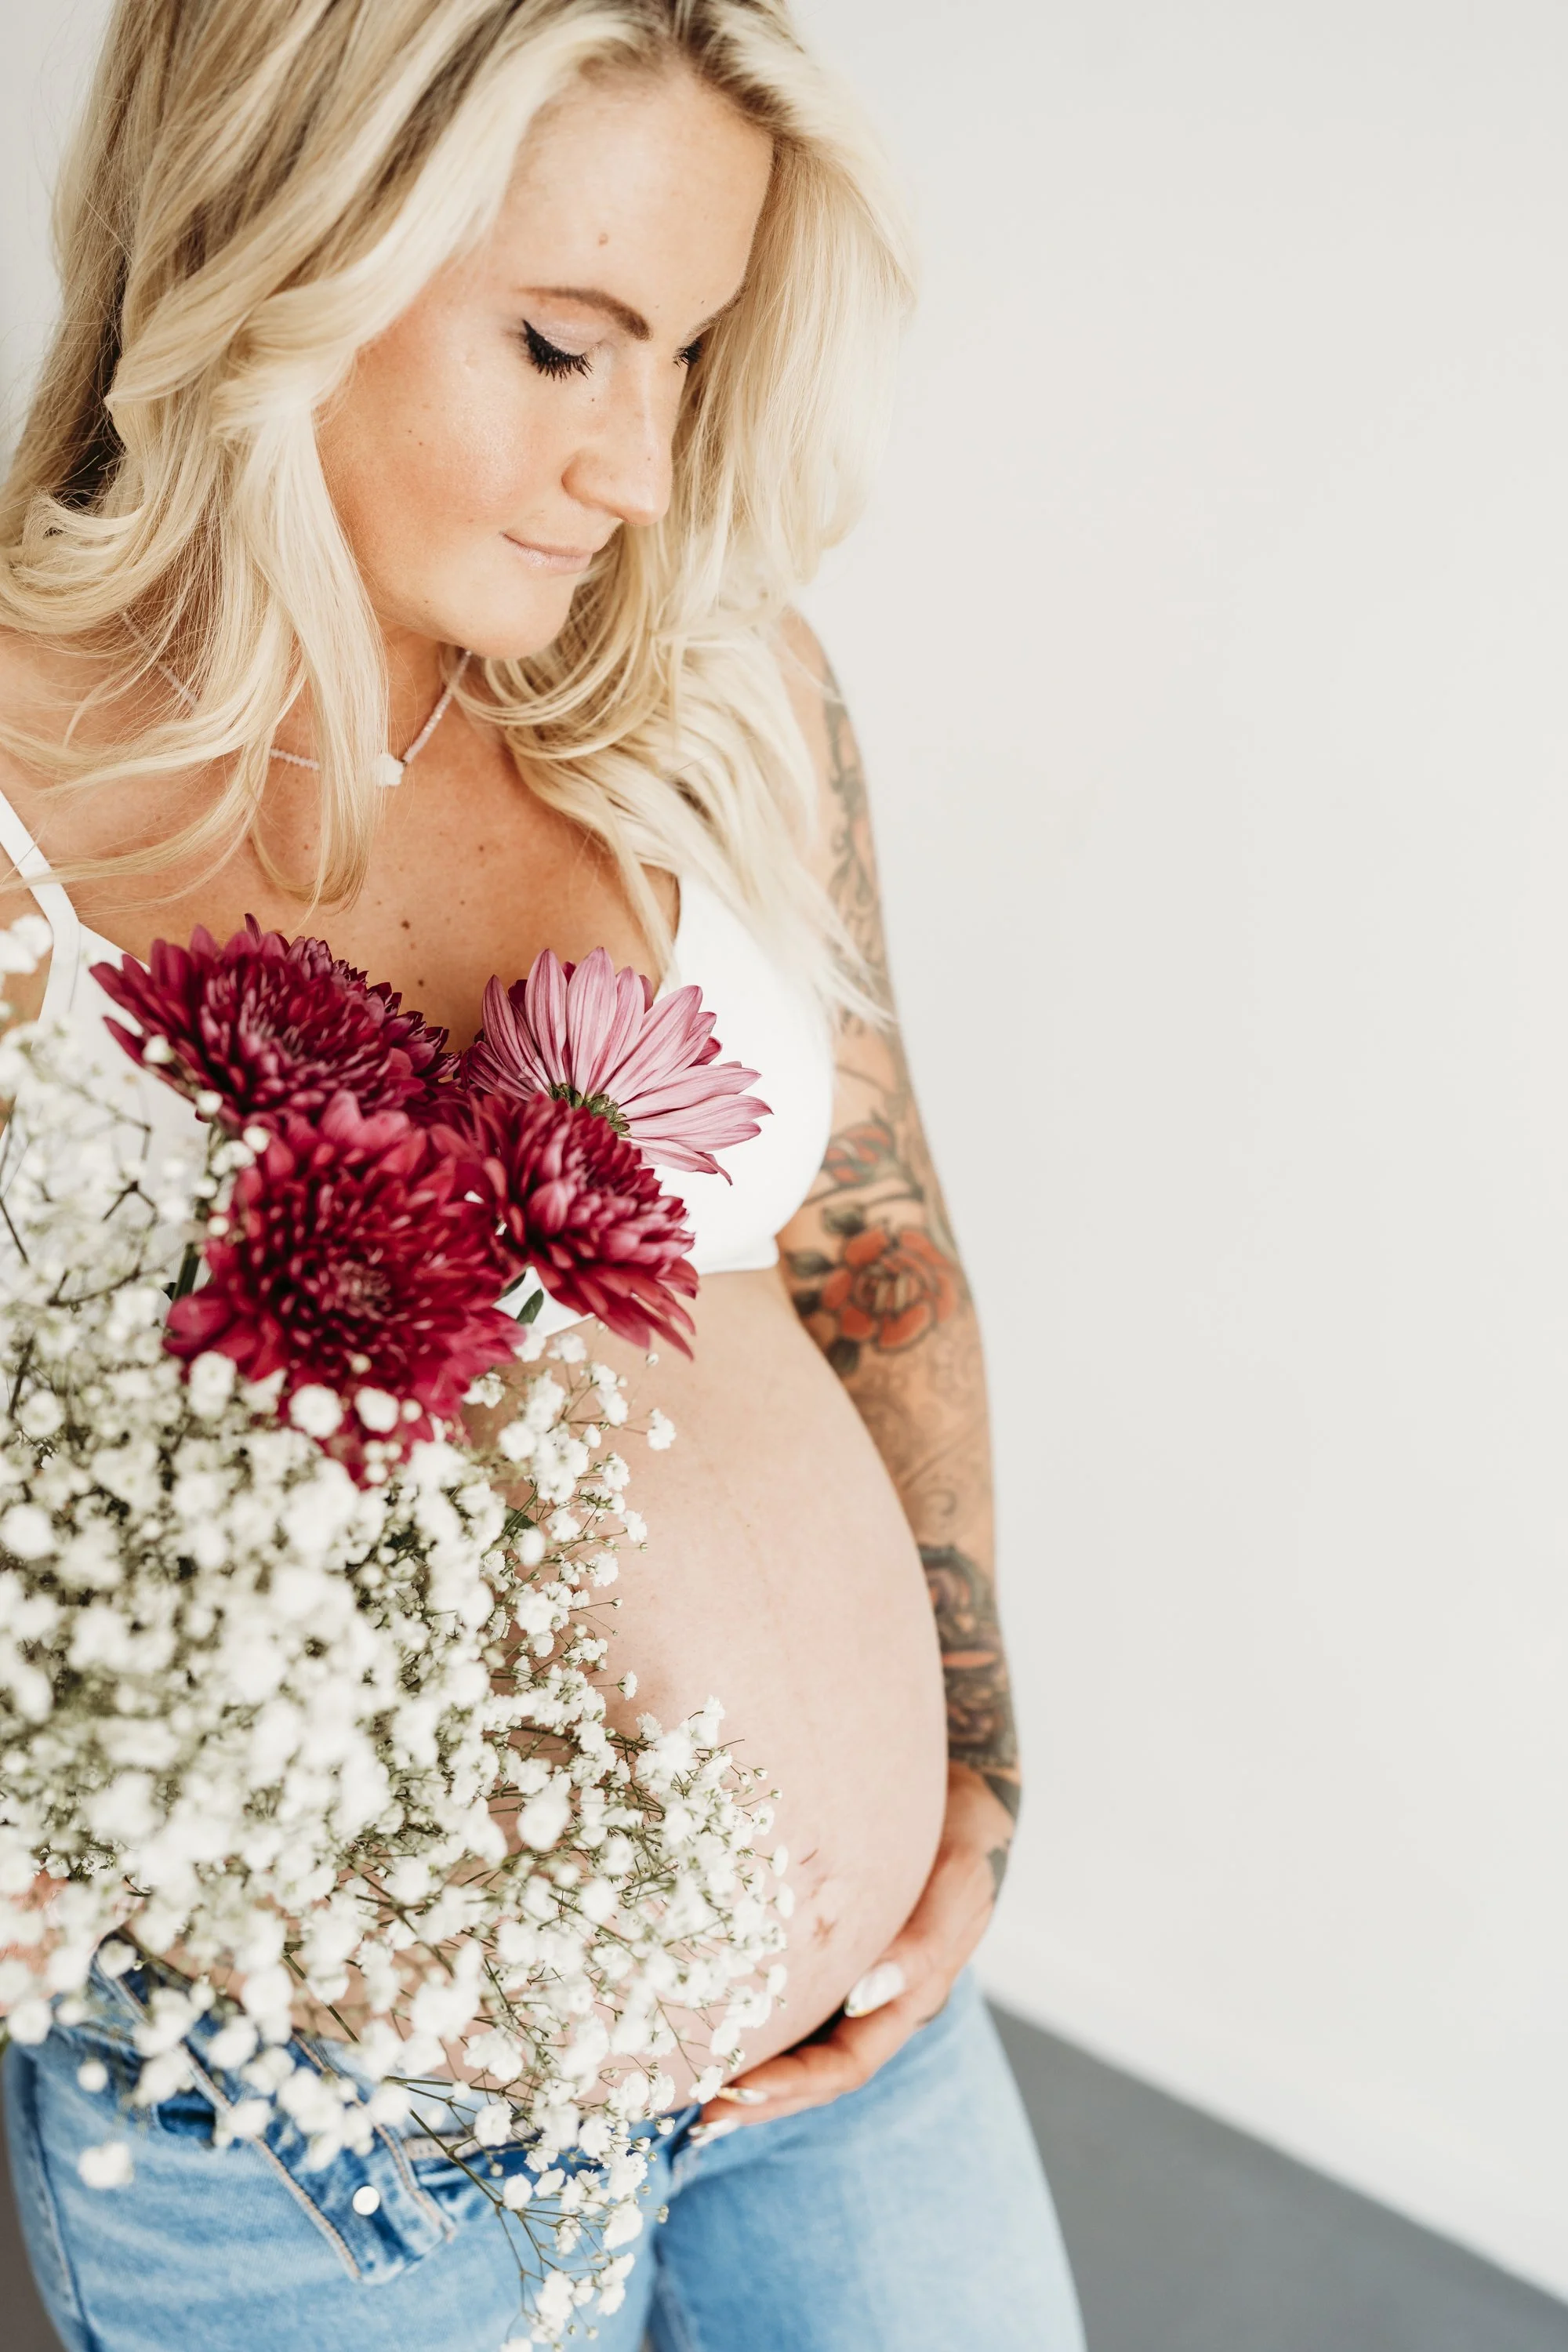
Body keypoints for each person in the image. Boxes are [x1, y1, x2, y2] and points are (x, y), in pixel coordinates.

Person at [0, 5, 1087, 2347]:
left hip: (863, 2069)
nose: (642, 471)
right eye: (568, 345)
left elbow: (869, 1238)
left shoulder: (718, 695)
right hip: (329, 2169)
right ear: (276, 243)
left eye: (685, 359)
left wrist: (974, 1765)